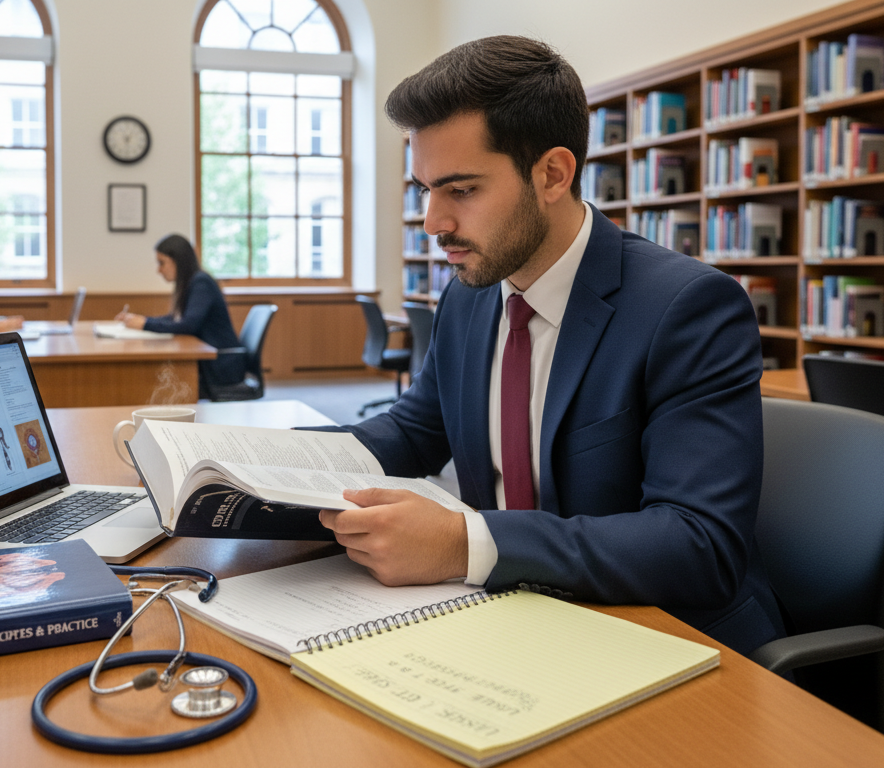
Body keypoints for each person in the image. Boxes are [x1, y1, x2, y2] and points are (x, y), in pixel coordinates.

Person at [314, 36, 785, 657]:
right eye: (425, 190)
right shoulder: (471, 295)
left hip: (663, 636)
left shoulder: (689, 308)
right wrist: (243, 463)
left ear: (552, 175)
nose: (433, 223)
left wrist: (464, 542)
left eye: (461, 190)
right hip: (509, 618)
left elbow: (698, 544)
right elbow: (410, 431)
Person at [115, 234, 246, 398]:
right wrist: (142, 320)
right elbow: (175, 318)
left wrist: (145, 324)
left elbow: (188, 325)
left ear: (178, 261)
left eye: (162, 263)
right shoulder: (192, 282)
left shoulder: (201, 283)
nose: (159, 270)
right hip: (213, 364)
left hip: (221, 368)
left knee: (157, 384)